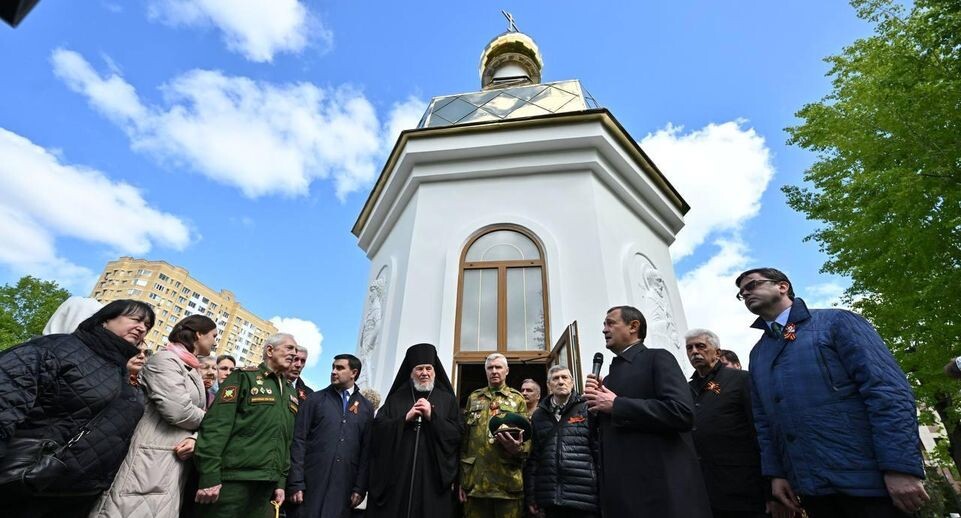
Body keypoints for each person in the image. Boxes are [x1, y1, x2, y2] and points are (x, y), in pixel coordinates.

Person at [736, 267, 928, 517]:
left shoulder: (836, 322)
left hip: (870, 483)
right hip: (813, 489)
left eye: (751, 285)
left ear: (782, 286)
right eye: (741, 293)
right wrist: (777, 473)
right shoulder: (758, 353)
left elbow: (887, 391)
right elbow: (764, 422)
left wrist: (901, 467)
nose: (745, 293)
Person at [0, 299, 155, 518]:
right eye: (136, 319)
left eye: (147, 326)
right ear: (104, 320)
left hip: (78, 494)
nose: (142, 328)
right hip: (26, 485)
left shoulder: (119, 369)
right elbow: (6, 402)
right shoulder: (57, 348)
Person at [584, 305, 711, 518]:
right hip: (622, 495)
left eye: (610, 323)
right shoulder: (609, 377)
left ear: (634, 326)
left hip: (660, 493)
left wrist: (617, 405)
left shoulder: (658, 358)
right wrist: (595, 408)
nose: (604, 330)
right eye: (604, 325)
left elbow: (681, 412)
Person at [90, 314, 216, 518]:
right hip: (148, 457)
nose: (215, 341)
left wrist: (197, 435)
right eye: (213, 335)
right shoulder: (165, 360)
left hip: (169, 459)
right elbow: (178, 410)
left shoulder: (190, 367)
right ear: (199, 335)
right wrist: (215, 421)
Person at [193, 332, 300, 518]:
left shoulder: (291, 390)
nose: (294, 354)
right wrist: (209, 475)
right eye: (289, 348)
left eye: (296, 350)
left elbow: (286, 438)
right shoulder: (243, 378)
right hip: (232, 480)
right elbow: (216, 427)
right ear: (269, 350)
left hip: (267, 483)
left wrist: (281, 482)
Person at [367, 343, 461, 518]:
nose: (424, 373)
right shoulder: (396, 399)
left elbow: (457, 435)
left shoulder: (447, 400)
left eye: (428, 368)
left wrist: (433, 416)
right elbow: (378, 430)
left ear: (434, 371)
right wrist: (405, 419)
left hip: (433, 478)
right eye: (419, 369)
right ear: (411, 372)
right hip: (399, 477)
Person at [685, 329, 769, 518]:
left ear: (717, 352)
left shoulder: (741, 380)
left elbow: (761, 431)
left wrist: (771, 488)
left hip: (745, 489)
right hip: (706, 492)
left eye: (700, 346)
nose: (694, 352)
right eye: (689, 348)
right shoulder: (687, 389)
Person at [286, 354, 373, 518]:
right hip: (309, 485)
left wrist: (360, 488)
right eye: (333, 367)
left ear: (354, 373)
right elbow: (298, 441)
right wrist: (296, 482)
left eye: (340, 368)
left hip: (343, 489)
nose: (334, 371)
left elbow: (366, 451)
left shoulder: (366, 408)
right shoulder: (314, 400)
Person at [459, 353, 529, 518]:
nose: (494, 371)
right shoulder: (474, 397)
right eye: (490, 368)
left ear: (507, 371)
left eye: (498, 367)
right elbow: (465, 441)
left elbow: (527, 439)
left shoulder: (517, 399)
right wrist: (462, 481)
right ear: (485, 371)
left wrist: (518, 448)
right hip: (475, 484)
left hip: (506, 484)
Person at [525, 365, 599, 518]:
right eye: (555, 378)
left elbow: (598, 453)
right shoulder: (539, 416)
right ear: (549, 385)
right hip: (550, 499)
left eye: (565, 378)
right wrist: (531, 496)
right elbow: (534, 459)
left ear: (572, 382)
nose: (560, 382)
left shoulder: (588, 409)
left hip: (584, 498)